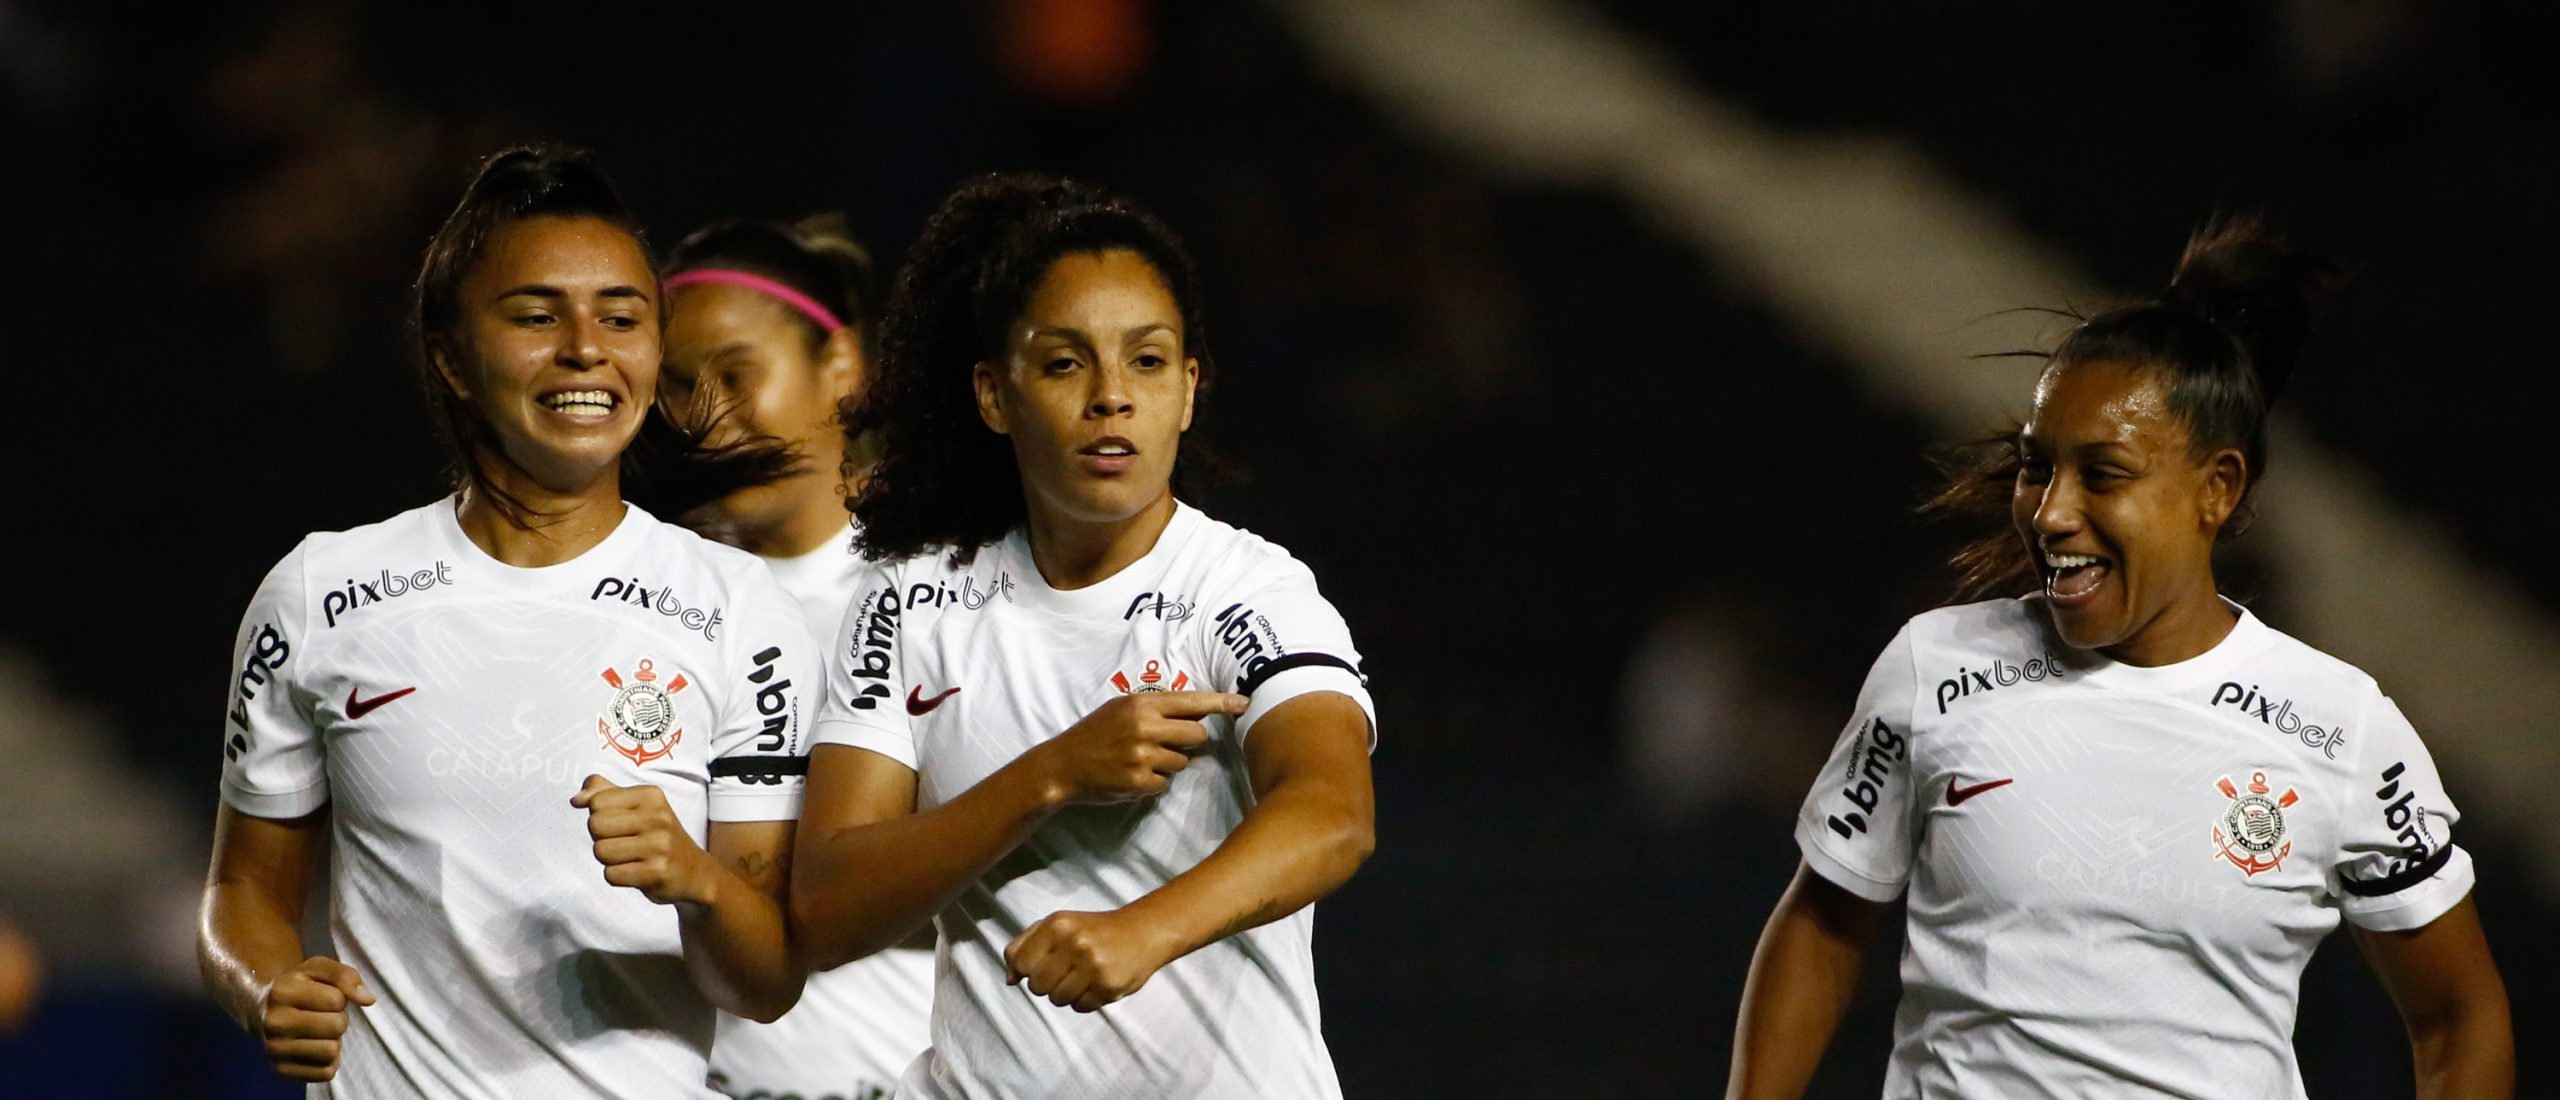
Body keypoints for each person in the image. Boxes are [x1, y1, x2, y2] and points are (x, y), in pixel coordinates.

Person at [1725, 218, 2514, 1099]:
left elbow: (2460, 1014)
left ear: (2216, 488)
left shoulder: (2340, 727)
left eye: (2102, 475)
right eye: (2037, 467)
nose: (2051, 512)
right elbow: (1827, 922)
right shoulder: (1934, 669)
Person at [197, 146, 817, 1097]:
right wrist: (270, 986)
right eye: (536, 315)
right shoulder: (321, 591)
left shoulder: (743, 614)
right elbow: (242, 895)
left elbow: (764, 981)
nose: (585, 347)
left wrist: (696, 881)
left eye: (622, 316)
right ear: (449, 353)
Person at [791, 174, 1378, 1099]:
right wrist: (1054, 774)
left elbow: (1332, 816)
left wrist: (1146, 929)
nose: (1111, 397)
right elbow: (826, 907)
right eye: (1065, 363)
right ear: (994, 394)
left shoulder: (1247, 591)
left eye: (1146, 362)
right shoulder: (910, 602)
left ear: (1188, 391)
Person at [657, 215, 931, 1100]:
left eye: (739, 374)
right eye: (677, 387)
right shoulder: (636, 602)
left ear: (841, 368)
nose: (710, 417)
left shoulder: (947, 594)